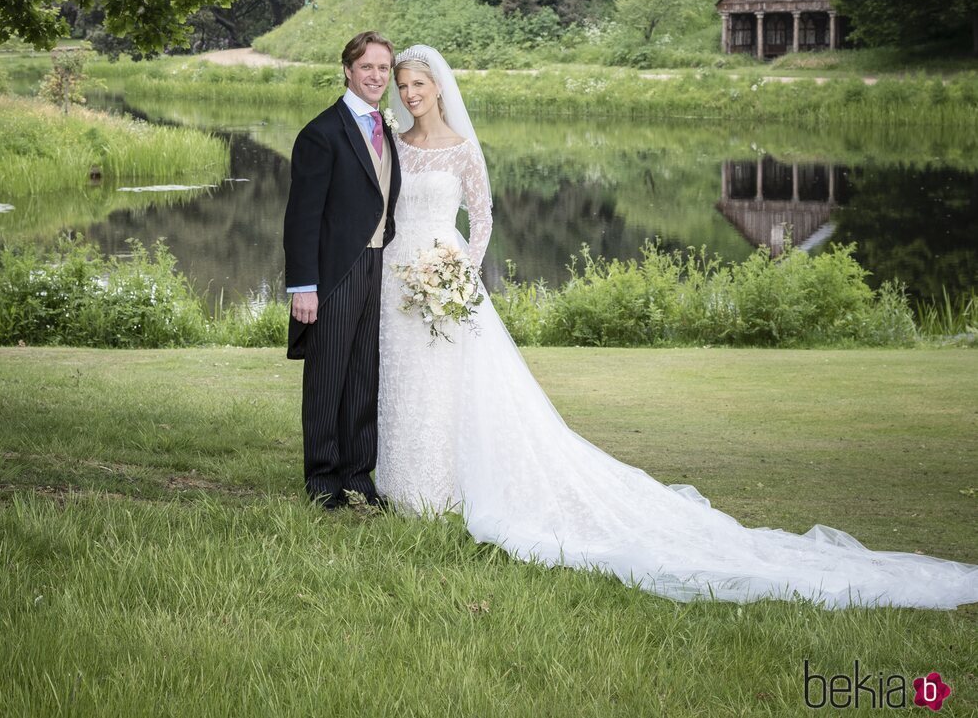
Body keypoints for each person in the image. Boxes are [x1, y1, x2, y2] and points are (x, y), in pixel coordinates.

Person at [376, 44, 978, 609]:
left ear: (438, 87)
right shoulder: (395, 144)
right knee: (407, 376)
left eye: (417, 84)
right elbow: (382, 208)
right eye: (402, 86)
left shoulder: (461, 147)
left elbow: (481, 216)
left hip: (448, 277)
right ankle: (406, 486)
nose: (409, 94)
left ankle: (450, 490)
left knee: (453, 381)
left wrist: (460, 272)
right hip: (397, 273)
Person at [283, 31, 401, 507]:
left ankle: (358, 474)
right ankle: (322, 480)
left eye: (383, 68)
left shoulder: (385, 126)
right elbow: (302, 216)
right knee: (328, 376)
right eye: (367, 67)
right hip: (336, 274)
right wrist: (304, 286)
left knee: (363, 375)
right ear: (348, 70)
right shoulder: (320, 133)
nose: (376, 76)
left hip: (377, 267)